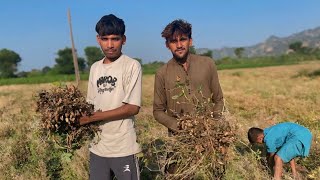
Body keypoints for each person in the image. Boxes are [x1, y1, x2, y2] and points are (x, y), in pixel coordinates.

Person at [153, 19, 224, 173]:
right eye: (173, 41)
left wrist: (213, 123)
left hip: (209, 138)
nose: (179, 45)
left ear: (190, 41)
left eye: (183, 39)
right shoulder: (162, 73)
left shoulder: (208, 64)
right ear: (167, 45)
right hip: (179, 141)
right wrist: (178, 126)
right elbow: (157, 111)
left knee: (214, 173)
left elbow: (218, 99)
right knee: (177, 174)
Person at [79, 14, 142, 180]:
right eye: (105, 39)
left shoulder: (131, 65)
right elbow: (90, 103)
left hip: (123, 147)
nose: (110, 45)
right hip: (98, 147)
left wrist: (92, 117)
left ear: (124, 39)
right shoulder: (95, 68)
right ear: (98, 39)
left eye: (115, 39)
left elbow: (132, 108)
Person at [248, 122, 312, 180]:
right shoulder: (270, 132)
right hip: (303, 133)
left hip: (299, 136)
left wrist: (269, 164)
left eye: (258, 143)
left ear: (259, 138)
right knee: (283, 153)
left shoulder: (268, 138)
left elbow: (272, 157)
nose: (260, 144)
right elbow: (289, 154)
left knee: (278, 158)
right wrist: (294, 172)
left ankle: (276, 178)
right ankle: (295, 175)